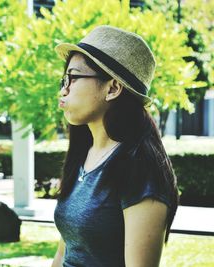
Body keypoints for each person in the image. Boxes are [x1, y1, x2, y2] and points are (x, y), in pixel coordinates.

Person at [52, 25, 179, 267]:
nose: (64, 89)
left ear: (112, 88)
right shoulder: (84, 155)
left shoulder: (141, 171)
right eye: (64, 78)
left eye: (74, 77)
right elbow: (64, 253)